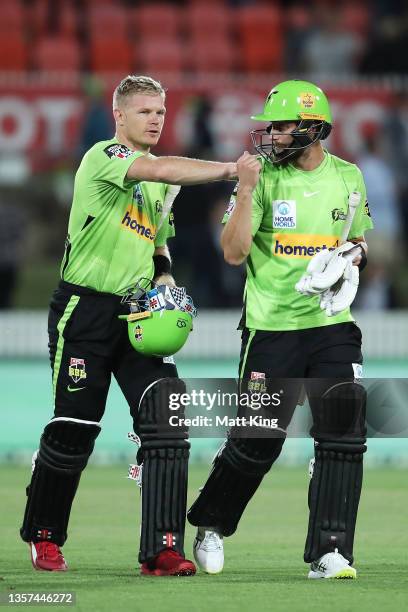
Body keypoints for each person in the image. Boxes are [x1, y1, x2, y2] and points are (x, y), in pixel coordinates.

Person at [20, 75, 240, 577]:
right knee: (76, 427)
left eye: (160, 111)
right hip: (85, 309)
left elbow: (158, 240)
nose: (155, 119)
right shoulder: (104, 156)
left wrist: (163, 276)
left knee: (167, 420)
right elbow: (159, 167)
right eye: (144, 112)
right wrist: (231, 168)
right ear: (119, 116)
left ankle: (162, 549)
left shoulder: (161, 185)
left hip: (139, 313)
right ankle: (46, 535)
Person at [188, 79, 373, 579]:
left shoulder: (349, 177)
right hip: (271, 329)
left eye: (282, 125)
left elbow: (358, 240)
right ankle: (211, 523)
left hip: (332, 324)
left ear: (314, 128)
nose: (270, 135)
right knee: (259, 439)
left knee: (343, 437)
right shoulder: (262, 177)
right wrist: (246, 189)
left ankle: (331, 552)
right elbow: (233, 252)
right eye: (269, 126)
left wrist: (349, 260)